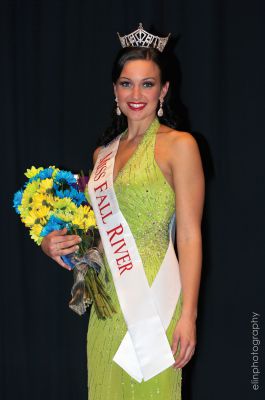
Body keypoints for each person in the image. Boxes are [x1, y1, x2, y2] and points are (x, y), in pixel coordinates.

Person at [41, 24, 205, 400]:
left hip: (157, 299)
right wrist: (56, 245)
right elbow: (94, 237)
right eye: (126, 83)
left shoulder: (180, 146)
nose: (136, 94)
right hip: (107, 304)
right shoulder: (102, 156)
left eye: (147, 84)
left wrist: (189, 315)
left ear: (164, 90)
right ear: (114, 89)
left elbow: (190, 234)